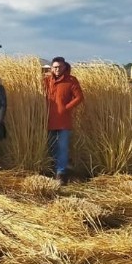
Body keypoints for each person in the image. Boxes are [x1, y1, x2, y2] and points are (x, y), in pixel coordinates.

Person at [44, 56, 84, 185]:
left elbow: (79, 97)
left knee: (62, 147)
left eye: (60, 67)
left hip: (63, 121)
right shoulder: (46, 81)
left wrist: (66, 108)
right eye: (55, 67)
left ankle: (61, 173)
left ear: (64, 67)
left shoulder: (71, 81)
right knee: (51, 146)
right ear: (51, 68)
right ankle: (53, 169)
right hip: (48, 120)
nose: (57, 69)